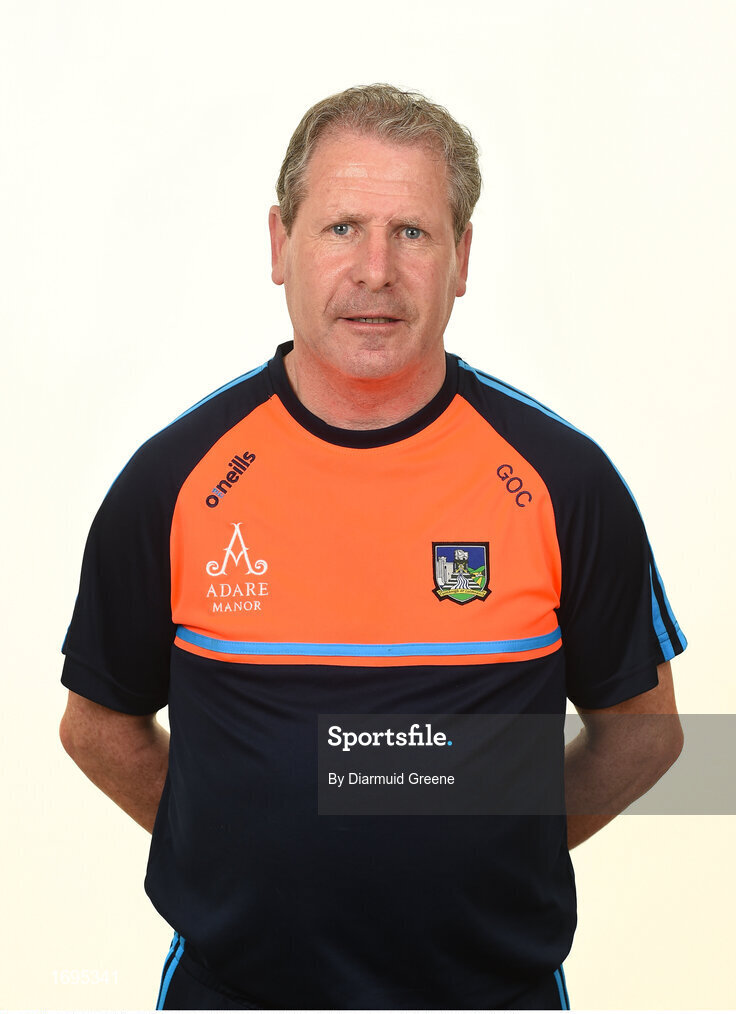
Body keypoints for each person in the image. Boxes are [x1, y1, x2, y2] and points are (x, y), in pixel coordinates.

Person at [59, 83, 687, 1011]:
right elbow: (95, 726)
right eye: (342, 227)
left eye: (414, 233)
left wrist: (496, 837)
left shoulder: (562, 480)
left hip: (494, 992)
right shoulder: (174, 479)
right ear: (280, 245)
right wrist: (234, 849)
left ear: (463, 257)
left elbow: (648, 734)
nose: (376, 271)